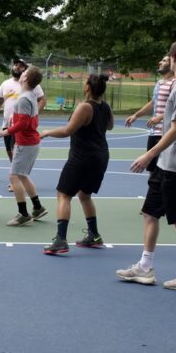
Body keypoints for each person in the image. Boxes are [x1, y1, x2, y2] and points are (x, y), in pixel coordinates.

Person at [117, 39, 176, 290]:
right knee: (150, 212)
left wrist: (149, 155)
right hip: (166, 163)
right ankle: (145, 268)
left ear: (173, 58)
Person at [41, 74, 114, 254]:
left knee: (63, 195)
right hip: (101, 156)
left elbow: (68, 130)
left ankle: (60, 240)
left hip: (83, 157)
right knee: (84, 194)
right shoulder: (105, 106)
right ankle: (94, 235)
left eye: (84, 83)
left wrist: (47, 132)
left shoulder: (85, 107)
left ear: (88, 87)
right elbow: (110, 126)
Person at [0, 66, 48, 226]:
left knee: (14, 176)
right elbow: (28, 120)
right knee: (22, 175)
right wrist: (13, 121)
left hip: (26, 143)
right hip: (30, 142)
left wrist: (5, 132)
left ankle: (23, 213)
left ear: (25, 79)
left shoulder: (24, 98)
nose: (21, 72)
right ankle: (37, 207)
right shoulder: (30, 96)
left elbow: (23, 123)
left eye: (24, 72)